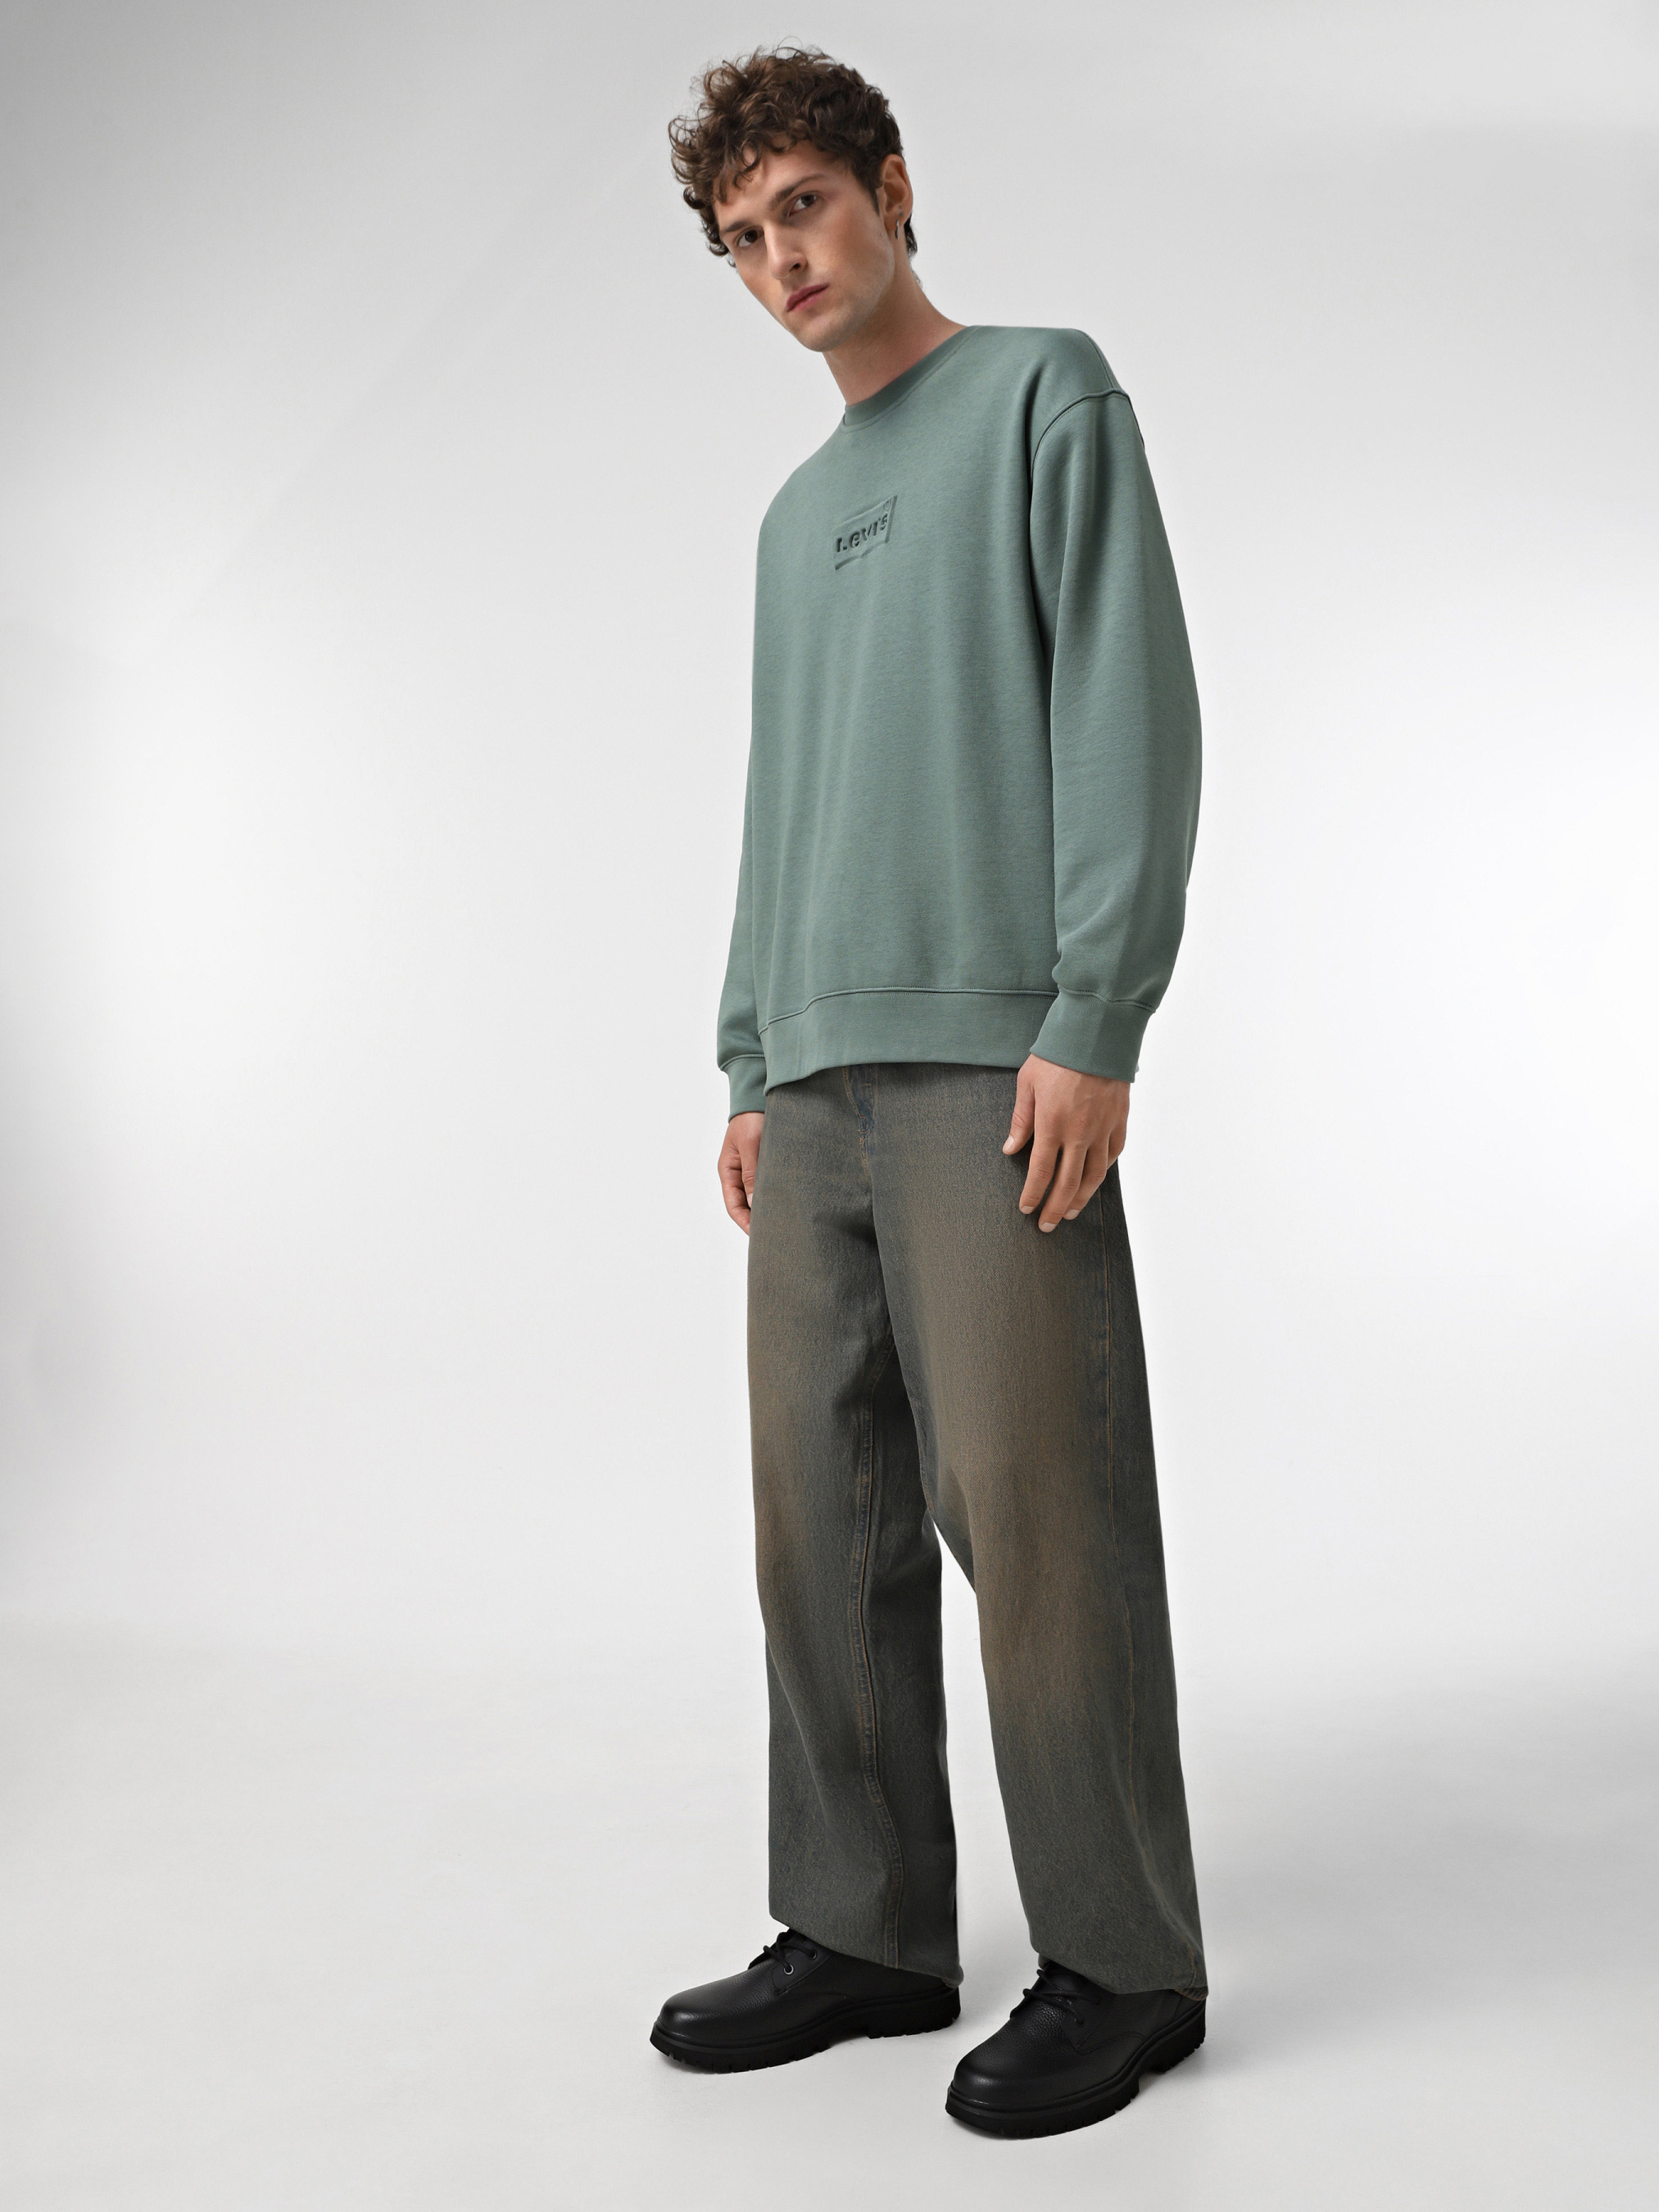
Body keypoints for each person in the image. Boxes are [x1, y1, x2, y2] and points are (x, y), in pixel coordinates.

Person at [651, 47, 1207, 2139]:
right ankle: (865, 1925)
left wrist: (1094, 1015)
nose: (778, 260)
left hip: (995, 1055)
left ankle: (1124, 1964)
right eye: (740, 240)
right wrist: (746, 1049)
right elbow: (777, 796)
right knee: (822, 1515)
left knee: (1036, 1514)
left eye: (800, 205)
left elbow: (1129, 710)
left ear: (888, 189)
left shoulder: (1045, 394)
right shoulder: (791, 520)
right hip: (809, 1081)